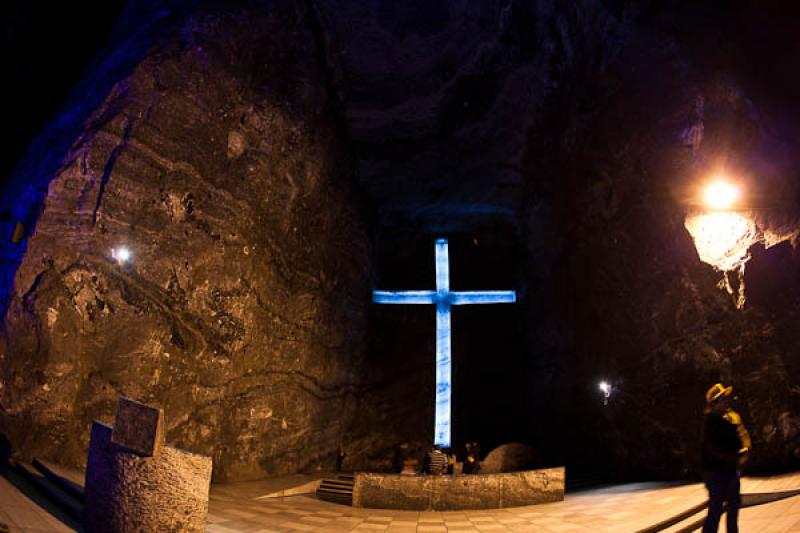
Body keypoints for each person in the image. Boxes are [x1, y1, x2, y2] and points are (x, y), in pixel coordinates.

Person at [701, 383, 751, 533]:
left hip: (730, 470)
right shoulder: (711, 422)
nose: (727, 401)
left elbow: (741, 436)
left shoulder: (730, 417)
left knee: (734, 506)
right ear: (715, 402)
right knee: (716, 508)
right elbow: (714, 449)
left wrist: (744, 450)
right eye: (723, 398)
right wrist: (735, 456)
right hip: (715, 472)